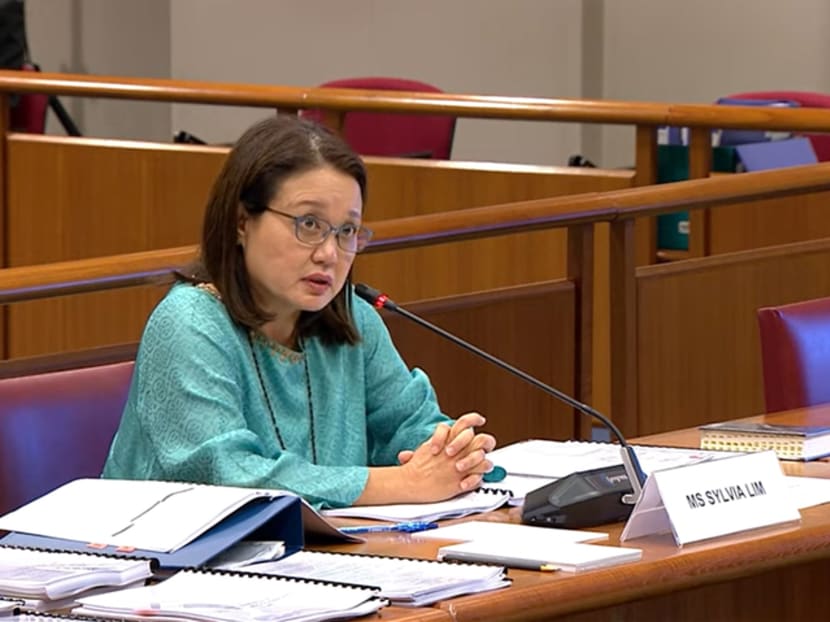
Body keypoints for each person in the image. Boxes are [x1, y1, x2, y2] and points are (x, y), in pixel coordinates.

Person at [103, 115, 497, 509]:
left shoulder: (354, 319)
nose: (329, 254)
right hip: (164, 562)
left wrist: (458, 453)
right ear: (242, 222)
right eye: (309, 224)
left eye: (346, 231)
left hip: (317, 557)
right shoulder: (189, 323)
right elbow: (226, 475)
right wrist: (404, 484)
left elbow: (411, 426)